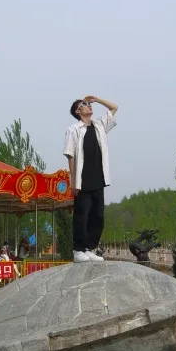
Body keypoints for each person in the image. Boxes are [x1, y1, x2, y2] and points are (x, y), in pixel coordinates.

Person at [63, 95, 118, 263]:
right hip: (83, 180)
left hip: (99, 178)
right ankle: (78, 250)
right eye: (85, 104)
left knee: (98, 216)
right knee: (82, 215)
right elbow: (70, 156)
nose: (89, 106)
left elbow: (114, 107)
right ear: (78, 111)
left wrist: (97, 99)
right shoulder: (73, 130)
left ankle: (89, 248)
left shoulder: (99, 125)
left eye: (88, 104)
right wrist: (73, 181)